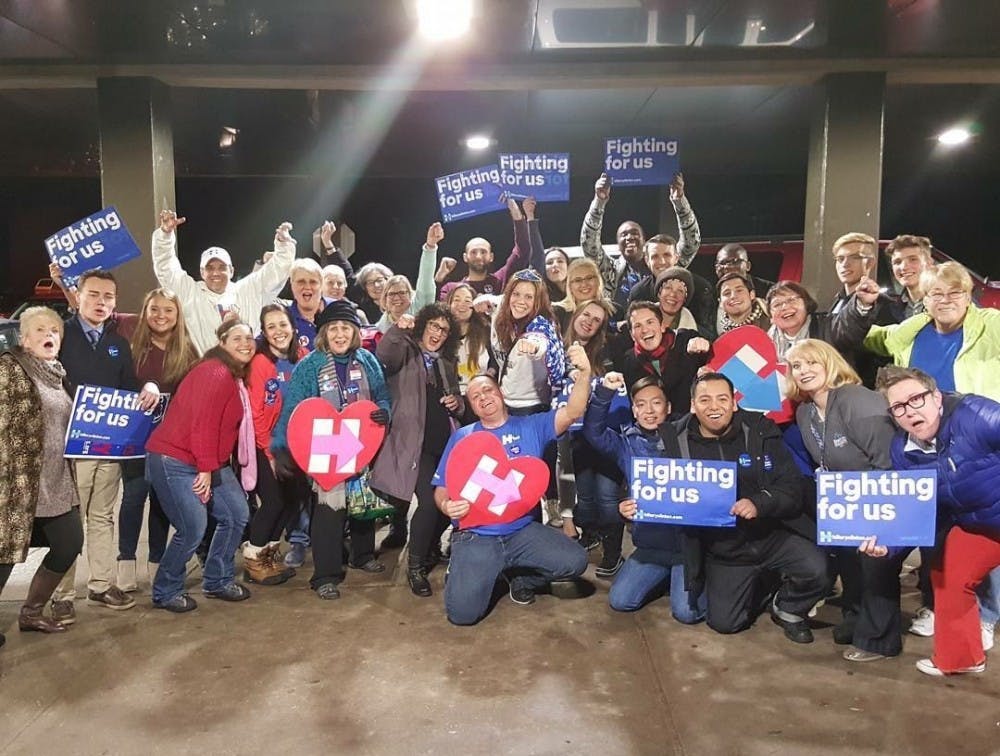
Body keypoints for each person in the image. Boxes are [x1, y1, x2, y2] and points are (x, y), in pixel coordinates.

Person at [431, 345, 593, 626]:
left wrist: (584, 374)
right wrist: (446, 505)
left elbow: (574, 411)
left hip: (522, 531)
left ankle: (521, 578)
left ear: (501, 393)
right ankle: (475, 569)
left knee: (575, 561)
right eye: (475, 396)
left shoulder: (532, 426)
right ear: (471, 406)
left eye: (488, 391)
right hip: (477, 535)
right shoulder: (462, 438)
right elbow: (441, 488)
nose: (483, 398)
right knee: (462, 615)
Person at [674, 373, 830, 641]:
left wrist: (759, 503)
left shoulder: (760, 429)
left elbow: (791, 485)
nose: (714, 407)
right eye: (705, 400)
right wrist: (635, 507)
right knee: (725, 624)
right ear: (692, 405)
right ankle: (764, 585)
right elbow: (659, 491)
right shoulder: (675, 441)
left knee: (819, 570)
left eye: (722, 399)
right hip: (725, 551)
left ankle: (788, 607)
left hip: (772, 535)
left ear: (734, 403)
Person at [873, 366, 1000, 676]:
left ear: (937, 398)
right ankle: (961, 658)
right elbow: (912, 510)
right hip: (978, 524)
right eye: (899, 407)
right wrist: (886, 546)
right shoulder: (902, 451)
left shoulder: (977, 415)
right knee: (947, 575)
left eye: (916, 399)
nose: (910, 411)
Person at [50, 269, 160, 622]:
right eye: (94, 295)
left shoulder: (118, 343)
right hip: (70, 448)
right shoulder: (61, 336)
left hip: (108, 448)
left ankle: (100, 584)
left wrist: (150, 388)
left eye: (108, 296)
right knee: (69, 522)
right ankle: (61, 594)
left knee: (101, 515)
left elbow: (130, 384)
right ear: (77, 296)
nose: (101, 302)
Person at [785, 339, 901, 661]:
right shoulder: (805, 412)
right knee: (851, 562)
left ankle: (879, 640)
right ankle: (854, 618)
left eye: (811, 363)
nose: (803, 371)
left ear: (830, 363)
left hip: (878, 494)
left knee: (876, 563)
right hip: (844, 500)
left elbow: (886, 458)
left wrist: (881, 508)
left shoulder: (856, 400)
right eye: (796, 366)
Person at [270, 300, 392, 599]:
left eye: (346, 329)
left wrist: (384, 412)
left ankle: (361, 555)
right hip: (325, 445)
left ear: (354, 333)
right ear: (324, 332)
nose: (340, 335)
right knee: (330, 508)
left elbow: (381, 396)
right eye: (334, 329)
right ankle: (325, 573)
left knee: (362, 501)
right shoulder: (309, 365)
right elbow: (293, 410)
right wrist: (280, 447)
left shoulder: (367, 360)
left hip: (361, 440)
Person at [145, 319, 257, 612]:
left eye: (249, 338)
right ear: (222, 343)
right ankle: (165, 589)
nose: (245, 343)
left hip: (208, 460)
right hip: (176, 458)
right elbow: (203, 425)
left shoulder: (234, 375)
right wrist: (205, 469)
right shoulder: (215, 372)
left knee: (236, 514)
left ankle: (217, 580)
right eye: (237, 338)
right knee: (192, 527)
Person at [585, 373, 706, 622]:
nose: (649, 411)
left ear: (669, 407)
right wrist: (604, 392)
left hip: (687, 547)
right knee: (621, 601)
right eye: (641, 404)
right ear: (634, 410)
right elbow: (593, 432)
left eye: (656, 403)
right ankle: (665, 577)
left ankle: (699, 577)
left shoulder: (689, 436)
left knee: (686, 613)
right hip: (650, 545)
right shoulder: (625, 443)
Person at [0, 308, 85, 644]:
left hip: (56, 481)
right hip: (17, 482)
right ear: (25, 339)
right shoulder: (10, 368)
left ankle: (32, 612)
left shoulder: (57, 374)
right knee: (5, 553)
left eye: (54, 329)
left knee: (69, 544)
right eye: (40, 329)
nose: (49, 334)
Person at [371, 304, 464, 597]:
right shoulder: (406, 352)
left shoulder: (446, 363)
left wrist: (458, 404)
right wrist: (398, 329)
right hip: (415, 446)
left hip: (445, 446)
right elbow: (383, 356)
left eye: (444, 330)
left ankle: (430, 548)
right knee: (428, 502)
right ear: (423, 325)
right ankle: (415, 566)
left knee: (448, 505)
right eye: (434, 326)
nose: (438, 333)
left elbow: (458, 401)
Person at [115, 287, 199, 591]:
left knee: (161, 501)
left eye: (168, 310)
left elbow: (194, 392)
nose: (161, 316)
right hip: (133, 434)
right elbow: (88, 306)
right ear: (145, 311)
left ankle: (156, 561)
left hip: (168, 440)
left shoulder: (186, 349)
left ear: (177, 316)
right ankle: (125, 561)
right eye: (155, 309)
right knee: (134, 495)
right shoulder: (127, 331)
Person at [151, 211, 296, 355]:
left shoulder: (247, 290)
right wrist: (165, 235)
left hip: (247, 373)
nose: (216, 273)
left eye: (222, 268)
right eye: (210, 268)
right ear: (202, 273)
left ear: (231, 271)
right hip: (206, 371)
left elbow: (277, 271)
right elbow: (166, 268)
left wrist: (283, 244)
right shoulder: (190, 293)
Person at [242, 304, 308, 586]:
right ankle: (253, 559)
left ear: (292, 327)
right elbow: (257, 413)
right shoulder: (259, 363)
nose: (278, 331)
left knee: (293, 500)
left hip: (296, 445)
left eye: (282, 324)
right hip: (266, 445)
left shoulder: (303, 358)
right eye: (271, 327)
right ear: (264, 333)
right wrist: (268, 452)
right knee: (273, 501)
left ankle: (268, 555)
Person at [558, 300, 624, 576]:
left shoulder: (606, 352)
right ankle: (592, 534)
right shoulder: (555, 347)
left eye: (597, 320)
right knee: (584, 496)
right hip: (573, 435)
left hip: (605, 432)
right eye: (586, 315)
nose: (589, 321)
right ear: (576, 315)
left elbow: (616, 382)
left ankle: (613, 551)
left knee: (608, 498)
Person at [581, 172, 701, 309]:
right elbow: (589, 243)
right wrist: (599, 201)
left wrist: (679, 201)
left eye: (634, 233)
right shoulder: (611, 271)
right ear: (618, 246)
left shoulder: (665, 266)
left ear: (644, 241)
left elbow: (691, 242)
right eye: (623, 235)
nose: (629, 237)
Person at [492, 269, 566, 413]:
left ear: (538, 301)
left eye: (528, 297)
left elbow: (541, 342)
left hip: (529, 408)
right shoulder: (503, 314)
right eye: (516, 294)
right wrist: (481, 301)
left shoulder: (541, 325)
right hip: (504, 401)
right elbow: (495, 300)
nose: (520, 301)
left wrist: (534, 346)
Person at [619, 301, 709, 417]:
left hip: (692, 425)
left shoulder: (686, 341)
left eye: (650, 322)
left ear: (662, 326)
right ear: (632, 335)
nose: (645, 330)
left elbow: (713, 361)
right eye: (638, 326)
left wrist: (704, 347)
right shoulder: (628, 362)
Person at [437, 197, 531, 300]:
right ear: (465, 257)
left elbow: (523, 250)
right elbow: (438, 311)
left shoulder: (500, 280)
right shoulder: (451, 288)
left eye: (483, 252)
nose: (478, 256)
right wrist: (438, 279)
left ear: (491, 257)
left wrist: (514, 209)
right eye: (473, 252)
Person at [629, 234, 714, 333]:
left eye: (667, 255)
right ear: (647, 260)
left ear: (676, 258)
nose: (662, 262)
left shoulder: (701, 288)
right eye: (655, 256)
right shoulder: (639, 292)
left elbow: (709, 332)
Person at [373, 223, 440, 334]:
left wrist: (430, 247)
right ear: (384, 299)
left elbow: (425, 278)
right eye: (392, 294)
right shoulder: (379, 327)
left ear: (410, 295)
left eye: (402, 293)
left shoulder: (420, 308)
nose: (397, 297)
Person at [446, 282, 496, 395]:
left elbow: (496, 361)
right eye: (457, 300)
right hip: (453, 397)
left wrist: (489, 376)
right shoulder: (443, 333)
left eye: (467, 301)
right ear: (449, 304)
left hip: (482, 393)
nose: (461, 305)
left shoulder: (486, 330)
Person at [712, 243, 774, 334]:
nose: (728, 266)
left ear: (748, 266)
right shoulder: (708, 294)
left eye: (735, 261)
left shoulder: (769, 292)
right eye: (723, 263)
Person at [553, 258, 609, 331]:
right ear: (569, 286)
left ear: (598, 281)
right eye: (578, 280)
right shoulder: (557, 313)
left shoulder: (614, 311)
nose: (584, 284)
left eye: (589, 278)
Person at [653, 267, 707, 336]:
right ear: (659, 293)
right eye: (668, 288)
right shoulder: (642, 317)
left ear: (685, 299)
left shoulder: (692, 333)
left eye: (680, 291)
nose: (673, 294)